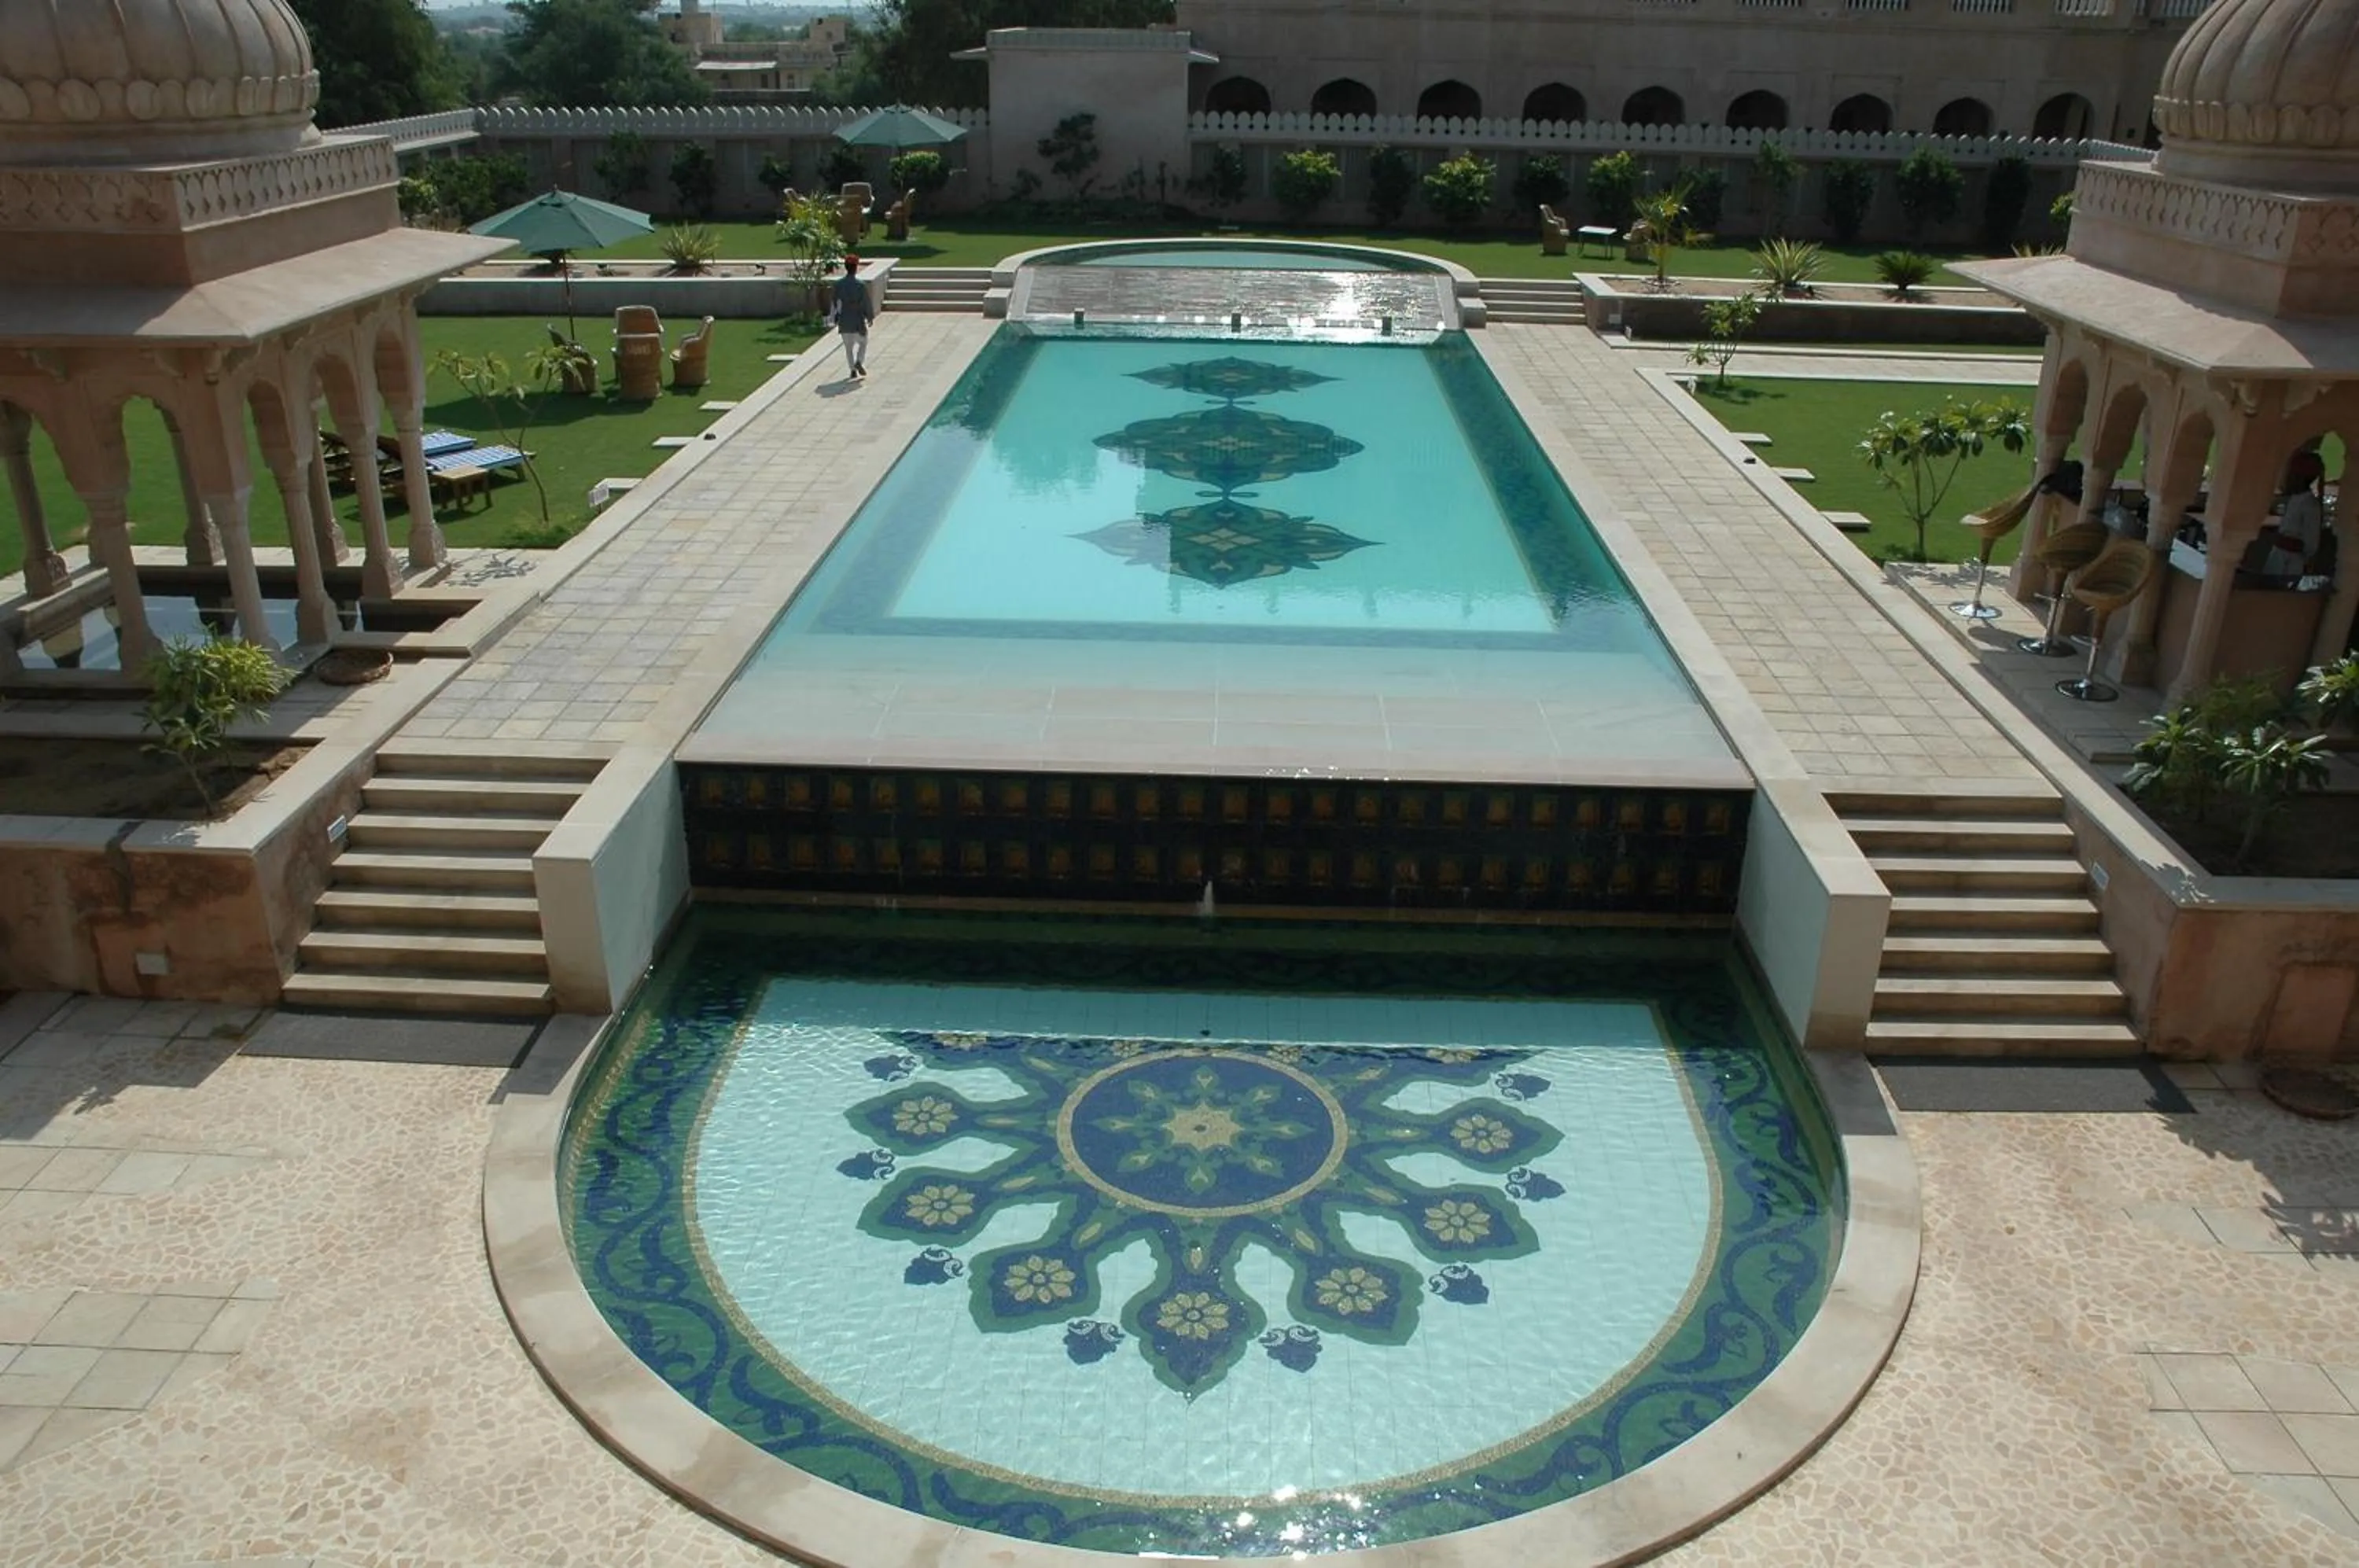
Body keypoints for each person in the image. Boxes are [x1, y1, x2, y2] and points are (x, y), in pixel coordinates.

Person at [2265, 451, 2328, 580]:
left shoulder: (2310, 505)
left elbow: (2310, 546)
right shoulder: (2294, 499)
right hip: (2277, 562)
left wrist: (2281, 541)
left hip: (2289, 568)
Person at [830, 254, 872, 379]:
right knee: (863, 342)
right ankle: (859, 361)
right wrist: (869, 316)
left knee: (848, 347)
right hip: (857, 319)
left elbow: (834, 302)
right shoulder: (860, 285)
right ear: (856, 268)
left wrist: (835, 316)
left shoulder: (839, 284)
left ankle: (852, 369)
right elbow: (866, 302)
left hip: (845, 319)